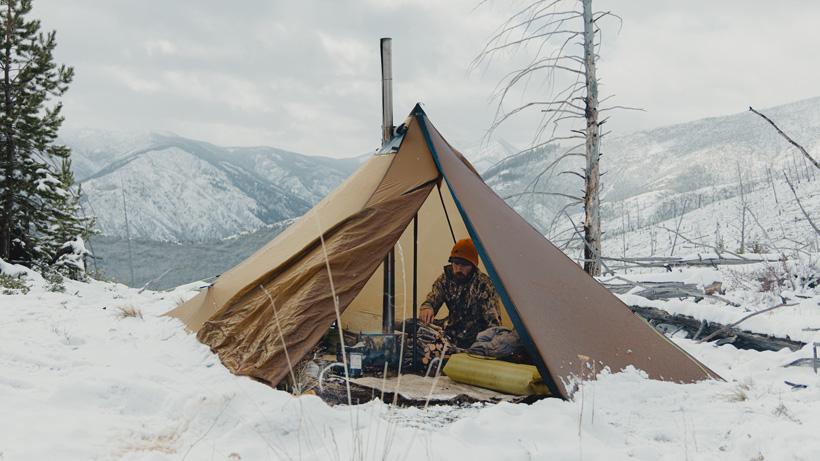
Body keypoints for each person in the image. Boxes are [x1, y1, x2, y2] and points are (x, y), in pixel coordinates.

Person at [418, 238, 502, 349]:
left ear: (473, 266)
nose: (458, 268)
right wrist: (427, 307)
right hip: (450, 334)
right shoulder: (445, 279)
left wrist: (485, 348)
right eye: (456, 263)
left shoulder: (484, 285)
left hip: (475, 341)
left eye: (464, 265)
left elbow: (493, 325)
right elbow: (433, 299)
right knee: (413, 326)